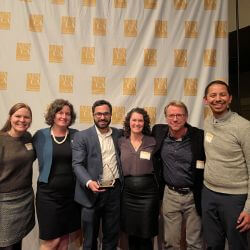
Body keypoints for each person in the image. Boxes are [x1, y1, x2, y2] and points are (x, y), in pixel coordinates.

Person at [202, 80, 250, 250]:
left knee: (238, 245)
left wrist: (249, 208)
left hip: (235, 198)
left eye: (222, 94)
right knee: (213, 244)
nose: (218, 99)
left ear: (230, 98)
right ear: (205, 100)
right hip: (209, 193)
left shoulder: (244, 127)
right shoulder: (208, 122)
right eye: (213, 95)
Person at [152, 100, 205, 250]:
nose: (175, 119)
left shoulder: (198, 136)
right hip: (170, 195)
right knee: (170, 242)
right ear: (166, 117)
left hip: (193, 195)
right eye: (171, 115)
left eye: (179, 115)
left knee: (194, 243)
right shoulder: (158, 132)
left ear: (186, 117)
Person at [72, 99, 123, 250]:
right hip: (90, 193)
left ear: (111, 115)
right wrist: (88, 182)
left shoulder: (119, 134)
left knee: (112, 235)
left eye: (106, 114)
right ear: (93, 115)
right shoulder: (82, 136)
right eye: (98, 114)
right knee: (89, 239)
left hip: (114, 192)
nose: (102, 117)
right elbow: (77, 164)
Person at [33, 99, 81, 250]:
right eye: (60, 112)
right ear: (53, 115)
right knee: (51, 241)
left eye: (67, 114)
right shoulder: (40, 135)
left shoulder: (76, 135)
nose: (64, 116)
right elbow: (24, 156)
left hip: (71, 196)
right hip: (48, 196)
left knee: (65, 237)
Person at [118, 107, 160, 250]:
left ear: (145, 122)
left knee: (146, 234)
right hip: (127, 194)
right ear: (129, 122)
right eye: (134, 120)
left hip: (148, 194)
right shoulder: (120, 141)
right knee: (131, 233)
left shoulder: (153, 141)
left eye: (140, 120)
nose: (137, 123)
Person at [0, 103, 35, 250]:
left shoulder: (28, 137)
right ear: (10, 118)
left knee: (16, 242)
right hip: (5, 202)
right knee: (5, 244)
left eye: (26, 117)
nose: (22, 120)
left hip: (25, 198)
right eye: (18, 116)